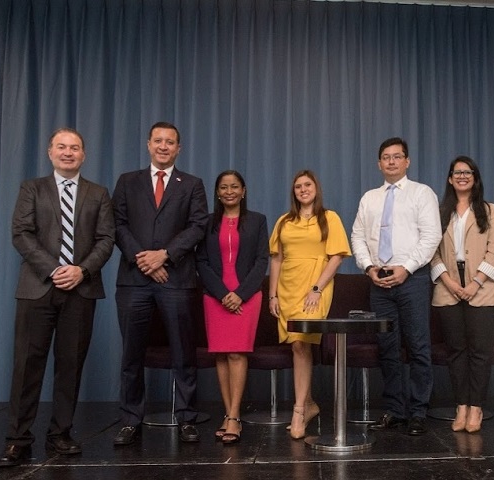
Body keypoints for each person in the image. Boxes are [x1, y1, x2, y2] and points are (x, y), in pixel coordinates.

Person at [0, 128, 115, 467]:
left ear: (83, 155)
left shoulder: (98, 193)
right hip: (38, 288)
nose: (68, 153)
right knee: (27, 367)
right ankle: (17, 440)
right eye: (61, 147)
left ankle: (60, 433)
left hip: (81, 290)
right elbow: (21, 233)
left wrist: (81, 270)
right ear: (50, 152)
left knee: (70, 366)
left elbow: (106, 239)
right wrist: (54, 269)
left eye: (74, 148)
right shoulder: (31, 188)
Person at [112, 122, 208, 445]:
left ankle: (186, 418)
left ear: (179, 148)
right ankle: (130, 420)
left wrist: (164, 255)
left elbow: (198, 227)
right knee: (131, 355)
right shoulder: (127, 182)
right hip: (133, 280)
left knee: (183, 352)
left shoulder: (192, 184)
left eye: (170, 142)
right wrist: (144, 258)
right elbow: (118, 225)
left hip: (177, 280)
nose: (163, 146)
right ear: (148, 144)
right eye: (158, 141)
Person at [351, 137, 442, 436]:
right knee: (387, 348)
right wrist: (368, 267)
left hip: (412, 279)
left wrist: (408, 268)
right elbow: (358, 236)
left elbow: (431, 236)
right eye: (386, 157)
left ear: (407, 161)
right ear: (379, 164)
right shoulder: (369, 198)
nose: (391, 162)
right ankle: (395, 410)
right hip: (379, 281)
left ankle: (417, 412)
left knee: (417, 346)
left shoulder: (421, 193)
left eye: (397, 156)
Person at [268, 170, 351, 440]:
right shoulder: (284, 221)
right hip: (288, 287)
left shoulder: (330, 218)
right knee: (296, 344)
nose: (303, 189)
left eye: (307, 185)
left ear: (316, 187)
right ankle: (310, 403)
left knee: (302, 342)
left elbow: (337, 257)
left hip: (316, 285)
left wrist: (317, 288)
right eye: (298, 187)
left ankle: (299, 410)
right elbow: (277, 259)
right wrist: (273, 295)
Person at [430, 156, 494, 434]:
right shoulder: (439, 211)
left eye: (467, 172)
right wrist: (448, 280)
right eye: (457, 172)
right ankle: (461, 406)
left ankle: (476, 407)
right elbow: (431, 251)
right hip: (447, 288)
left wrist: (475, 282)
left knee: (480, 353)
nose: (462, 176)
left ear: (475, 177)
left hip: (481, 288)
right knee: (456, 351)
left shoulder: (489, 210)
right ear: (450, 178)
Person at [196, 170, 268, 444]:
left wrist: (239, 294)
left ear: (243, 191)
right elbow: (200, 261)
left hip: (246, 297)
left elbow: (262, 261)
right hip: (215, 297)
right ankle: (228, 414)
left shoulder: (258, 221)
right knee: (221, 355)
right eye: (224, 187)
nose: (229, 191)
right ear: (217, 192)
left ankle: (235, 417)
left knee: (237, 354)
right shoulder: (206, 223)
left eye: (234, 186)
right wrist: (223, 293)